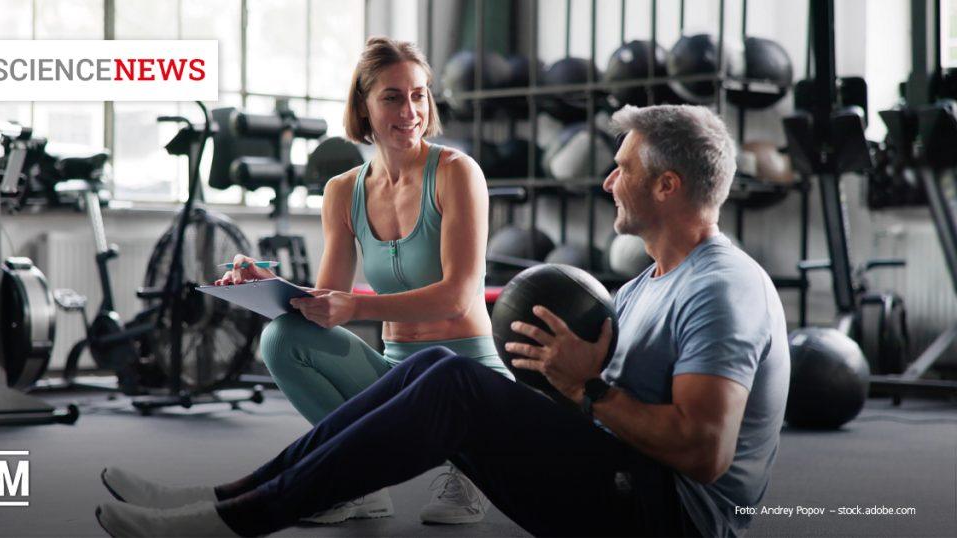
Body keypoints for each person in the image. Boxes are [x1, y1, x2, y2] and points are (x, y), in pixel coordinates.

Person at [96, 104, 790, 538]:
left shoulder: (722, 288)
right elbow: (601, 408)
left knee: (454, 385)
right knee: (435, 367)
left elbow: (705, 453)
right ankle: (226, 497)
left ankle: (234, 521)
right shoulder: (645, 285)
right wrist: (558, 382)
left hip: (669, 516)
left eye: (622, 168)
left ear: (667, 186)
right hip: (622, 478)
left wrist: (588, 390)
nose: (608, 181)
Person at [101, 36, 512, 526]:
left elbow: (458, 296)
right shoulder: (344, 192)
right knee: (283, 336)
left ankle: (464, 472)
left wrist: (355, 308)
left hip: (467, 381)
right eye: (392, 97)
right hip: (394, 375)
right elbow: (324, 303)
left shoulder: (457, 173)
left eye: (419, 94)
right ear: (363, 105)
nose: (410, 110)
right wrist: (266, 284)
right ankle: (360, 486)